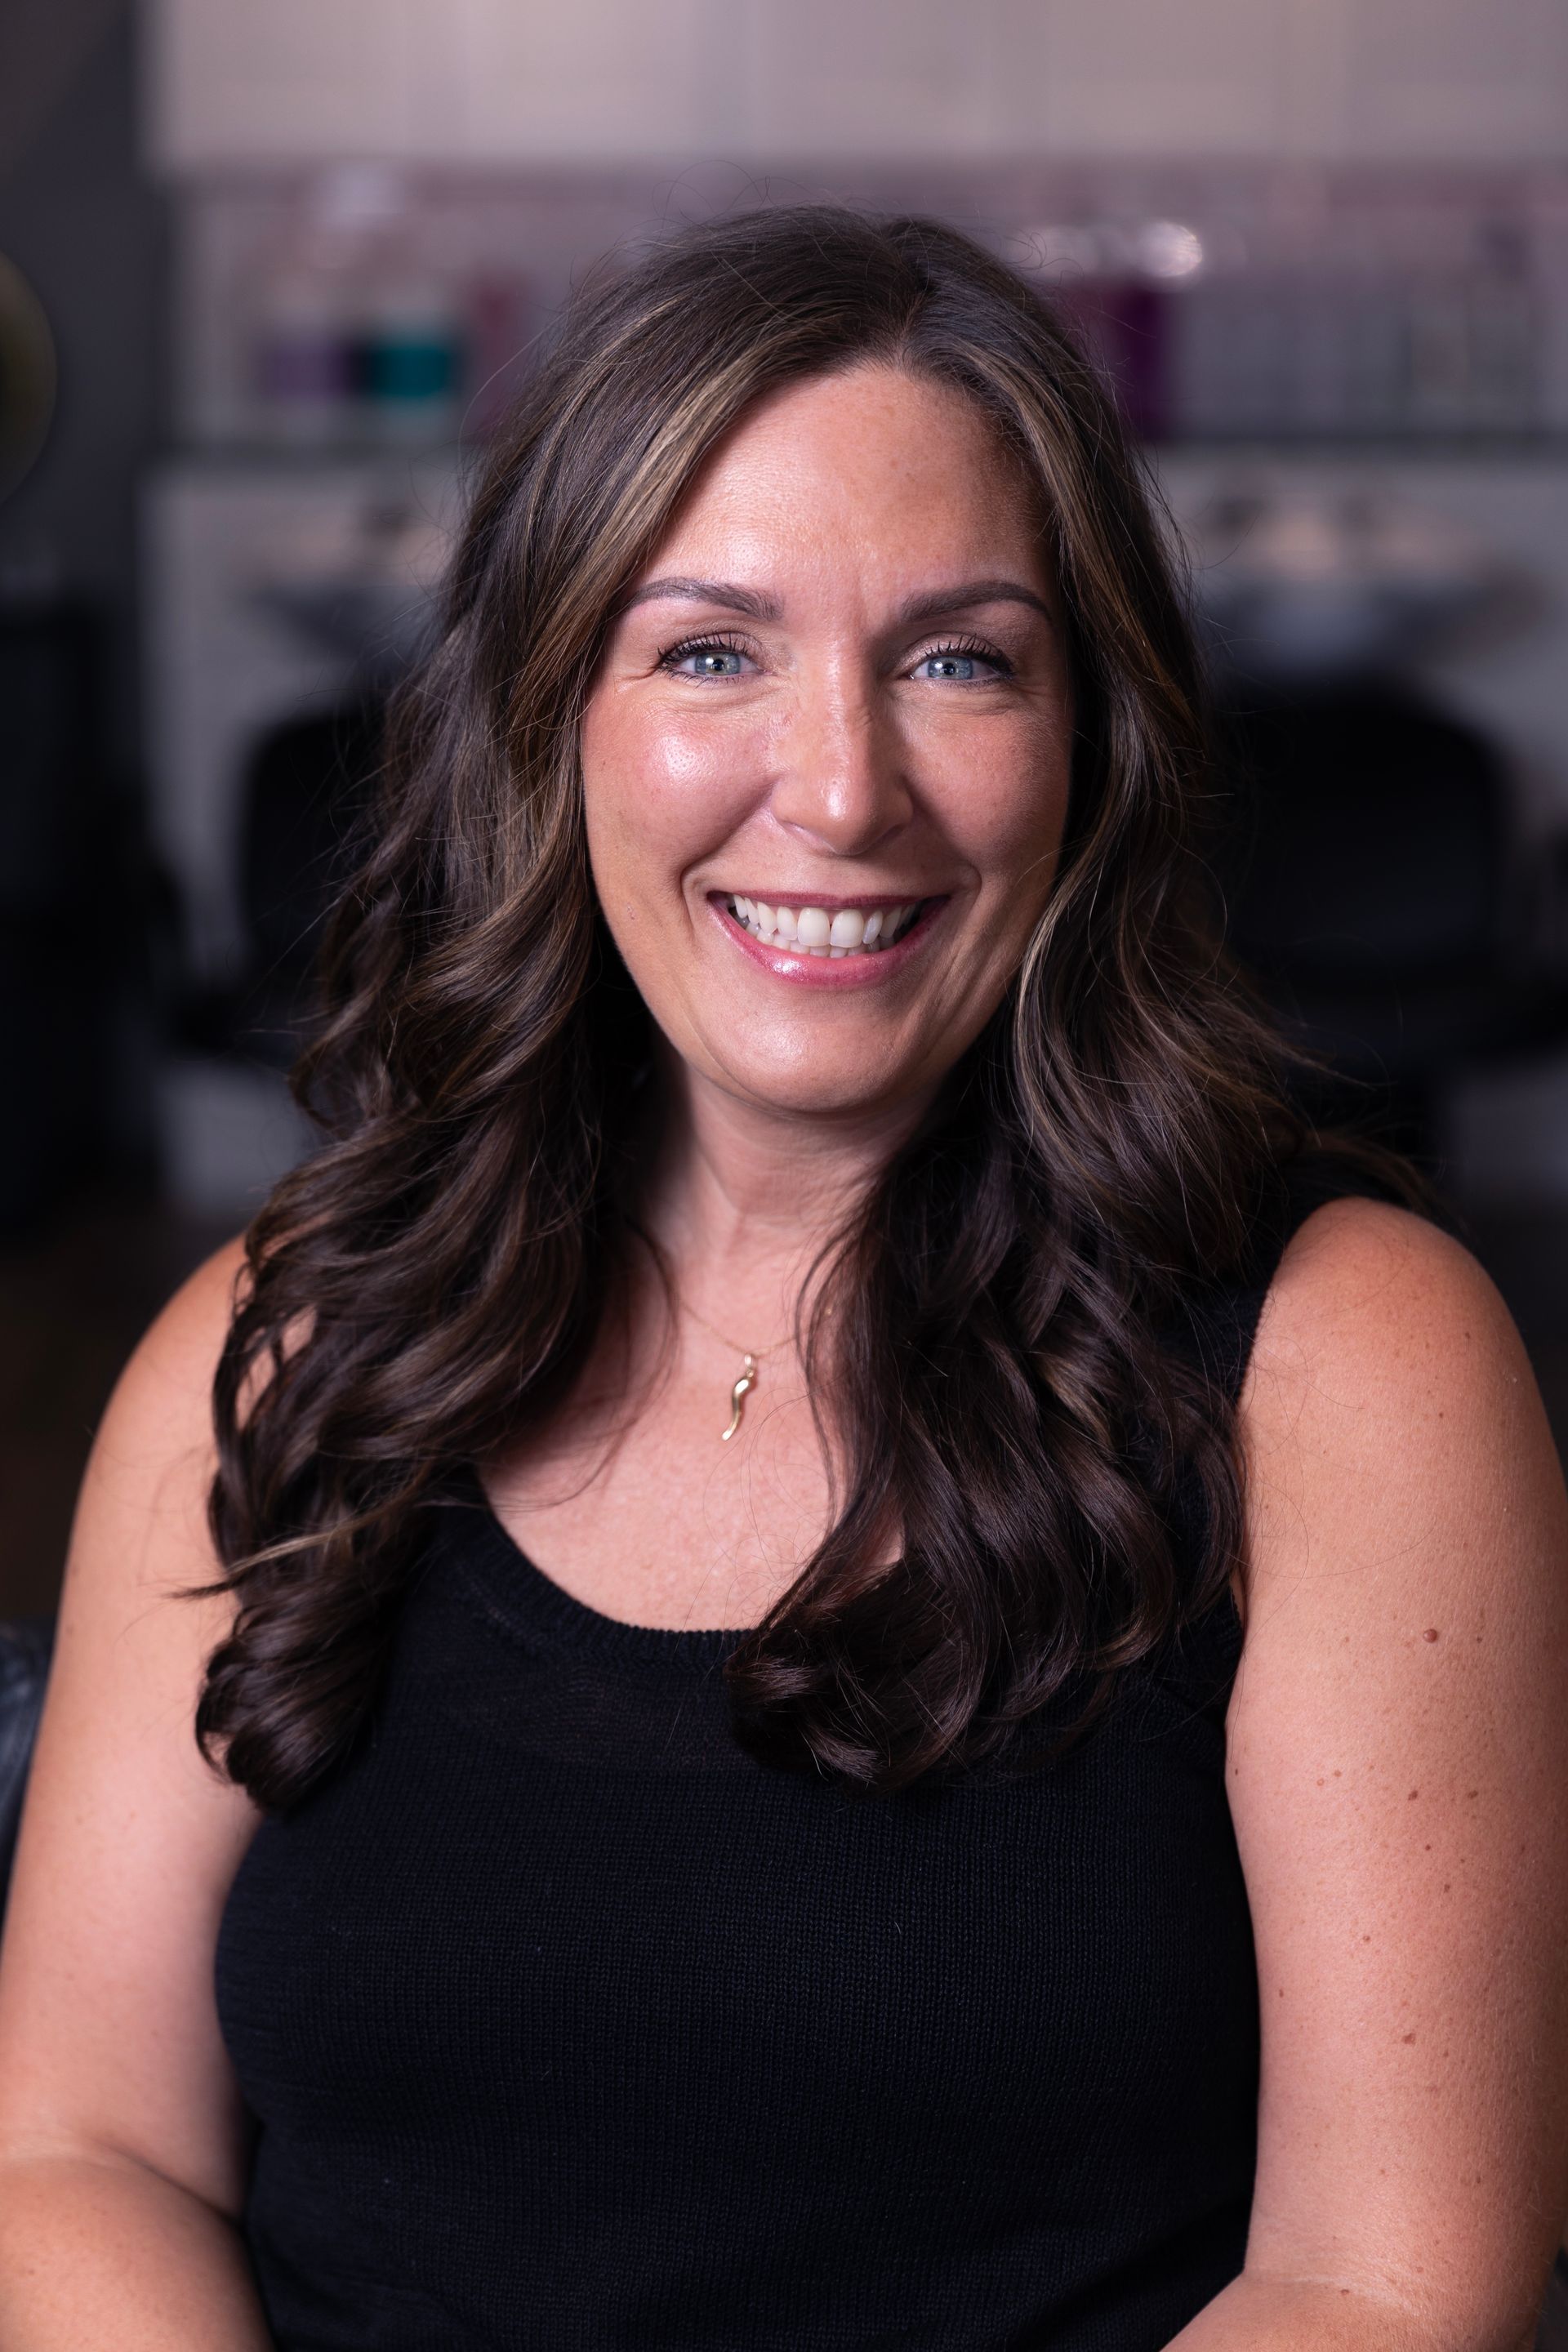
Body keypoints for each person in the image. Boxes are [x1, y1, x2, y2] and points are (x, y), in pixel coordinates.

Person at [1, 206, 1565, 2352]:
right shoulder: (280, 1352)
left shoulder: (1342, 1365)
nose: (839, 791)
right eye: (711, 651)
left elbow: (1383, 2284)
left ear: (1091, 736)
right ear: (551, 714)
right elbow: (80, 2149)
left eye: (958, 660)